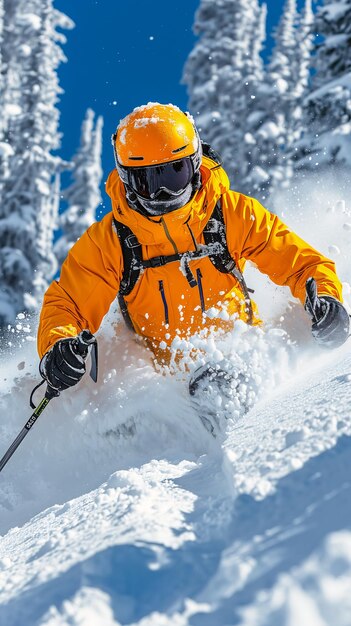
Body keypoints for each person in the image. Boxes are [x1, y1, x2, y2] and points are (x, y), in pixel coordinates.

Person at [37, 103, 350, 394]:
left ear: (195, 164)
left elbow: (302, 265)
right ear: (126, 179)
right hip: (157, 385)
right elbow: (68, 305)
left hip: (243, 357)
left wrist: (326, 299)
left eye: (174, 175)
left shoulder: (231, 213)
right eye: (147, 181)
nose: (162, 194)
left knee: (221, 384)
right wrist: (59, 346)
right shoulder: (111, 241)